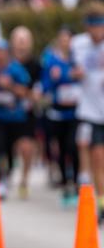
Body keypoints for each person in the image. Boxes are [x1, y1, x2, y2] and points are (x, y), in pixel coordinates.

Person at [0, 39, 32, 199]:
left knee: (11, 149)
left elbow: (25, 91)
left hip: (13, 116)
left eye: (2, 52)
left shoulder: (16, 69)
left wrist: (10, 86)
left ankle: (8, 175)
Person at [70, 1, 104, 222]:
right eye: (91, 28)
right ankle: (100, 201)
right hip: (91, 110)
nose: (95, 33)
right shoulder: (78, 44)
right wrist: (76, 74)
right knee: (97, 155)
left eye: (99, 27)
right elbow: (74, 71)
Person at [41, 26, 80, 206]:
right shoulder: (51, 60)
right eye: (62, 39)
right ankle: (65, 183)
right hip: (58, 113)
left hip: (76, 113)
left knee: (75, 147)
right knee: (62, 149)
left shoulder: (78, 58)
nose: (65, 42)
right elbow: (47, 83)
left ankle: (79, 181)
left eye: (68, 39)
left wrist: (66, 76)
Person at [9, 26, 41, 198]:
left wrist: (27, 93)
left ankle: (24, 179)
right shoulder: (5, 62)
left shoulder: (36, 65)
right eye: (18, 40)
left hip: (27, 112)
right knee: (9, 147)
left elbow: (38, 91)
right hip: (7, 112)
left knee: (27, 148)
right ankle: (6, 176)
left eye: (25, 40)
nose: (21, 44)